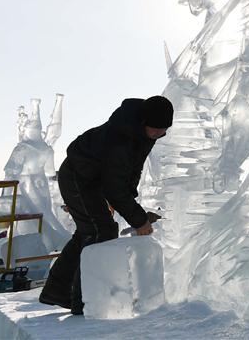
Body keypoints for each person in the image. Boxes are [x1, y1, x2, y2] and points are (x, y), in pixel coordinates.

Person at [39, 96, 173, 315]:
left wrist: (129, 200)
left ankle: (57, 290)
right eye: (155, 129)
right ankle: (82, 300)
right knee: (100, 230)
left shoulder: (143, 133)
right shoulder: (121, 138)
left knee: (89, 232)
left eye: (163, 130)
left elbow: (130, 171)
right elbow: (114, 184)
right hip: (77, 176)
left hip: (94, 179)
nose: (159, 134)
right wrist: (139, 220)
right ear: (143, 122)